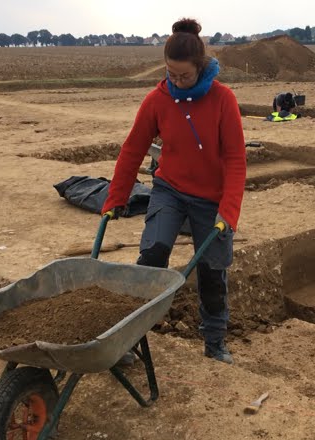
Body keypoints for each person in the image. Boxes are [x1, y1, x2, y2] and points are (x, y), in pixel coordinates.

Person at [101, 18, 246, 364]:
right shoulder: (158, 99)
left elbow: (236, 160)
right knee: (153, 255)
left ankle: (214, 340)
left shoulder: (223, 99)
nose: (177, 82)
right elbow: (133, 149)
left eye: (184, 76)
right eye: (171, 74)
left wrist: (228, 212)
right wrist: (115, 198)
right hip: (170, 189)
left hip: (211, 197)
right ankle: (127, 338)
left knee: (211, 270)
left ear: (201, 67)